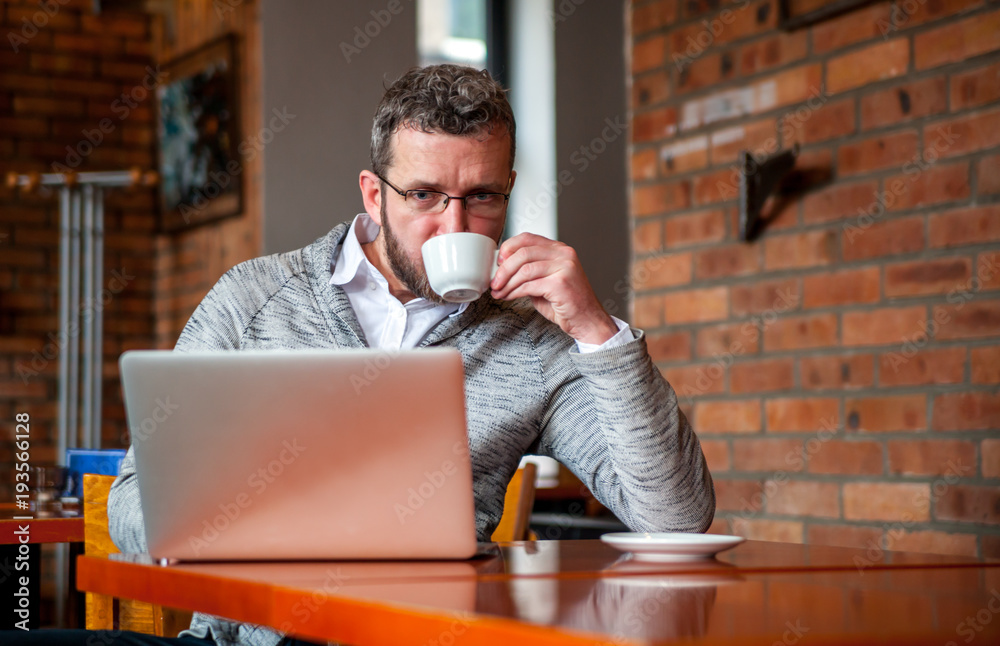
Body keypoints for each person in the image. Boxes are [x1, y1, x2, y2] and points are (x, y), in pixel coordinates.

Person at [5, 64, 714, 646]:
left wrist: (596, 329)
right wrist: (256, 528)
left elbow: (676, 517)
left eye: (483, 198)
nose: (455, 225)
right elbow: (133, 503)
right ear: (373, 195)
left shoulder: (532, 339)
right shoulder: (254, 297)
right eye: (426, 195)